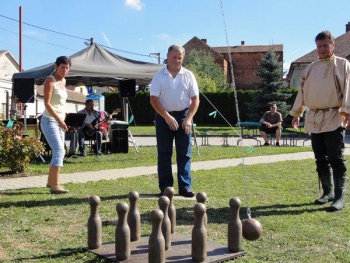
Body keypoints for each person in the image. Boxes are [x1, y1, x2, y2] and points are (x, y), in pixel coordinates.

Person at [290, 30, 350, 212]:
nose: (322, 49)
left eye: (325, 45)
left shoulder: (342, 64)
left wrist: (347, 111)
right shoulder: (310, 68)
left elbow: (348, 88)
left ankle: (339, 197)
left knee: (336, 158)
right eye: (319, 46)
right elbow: (302, 92)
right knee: (320, 158)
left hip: (334, 116)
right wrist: (297, 113)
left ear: (332, 45)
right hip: (314, 117)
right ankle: (328, 192)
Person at [150, 44, 200, 198]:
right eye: (174, 57)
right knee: (164, 153)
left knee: (184, 153)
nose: (177, 60)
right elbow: (153, 99)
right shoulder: (159, 76)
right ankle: (166, 188)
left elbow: (195, 99)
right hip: (163, 116)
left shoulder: (188, 75)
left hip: (184, 116)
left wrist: (189, 118)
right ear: (168, 56)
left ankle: (185, 187)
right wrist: (166, 116)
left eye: (180, 58)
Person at [40, 56, 71, 194]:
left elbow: (60, 103)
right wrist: (59, 120)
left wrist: (63, 117)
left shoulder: (64, 81)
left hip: (59, 121)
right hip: (49, 121)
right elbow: (47, 103)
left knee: (60, 150)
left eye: (67, 67)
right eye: (62, 67)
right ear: (56, 67)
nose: (65, 70)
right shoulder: (50, 81)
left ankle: (50, 181)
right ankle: (55, 185)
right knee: (59, 150)